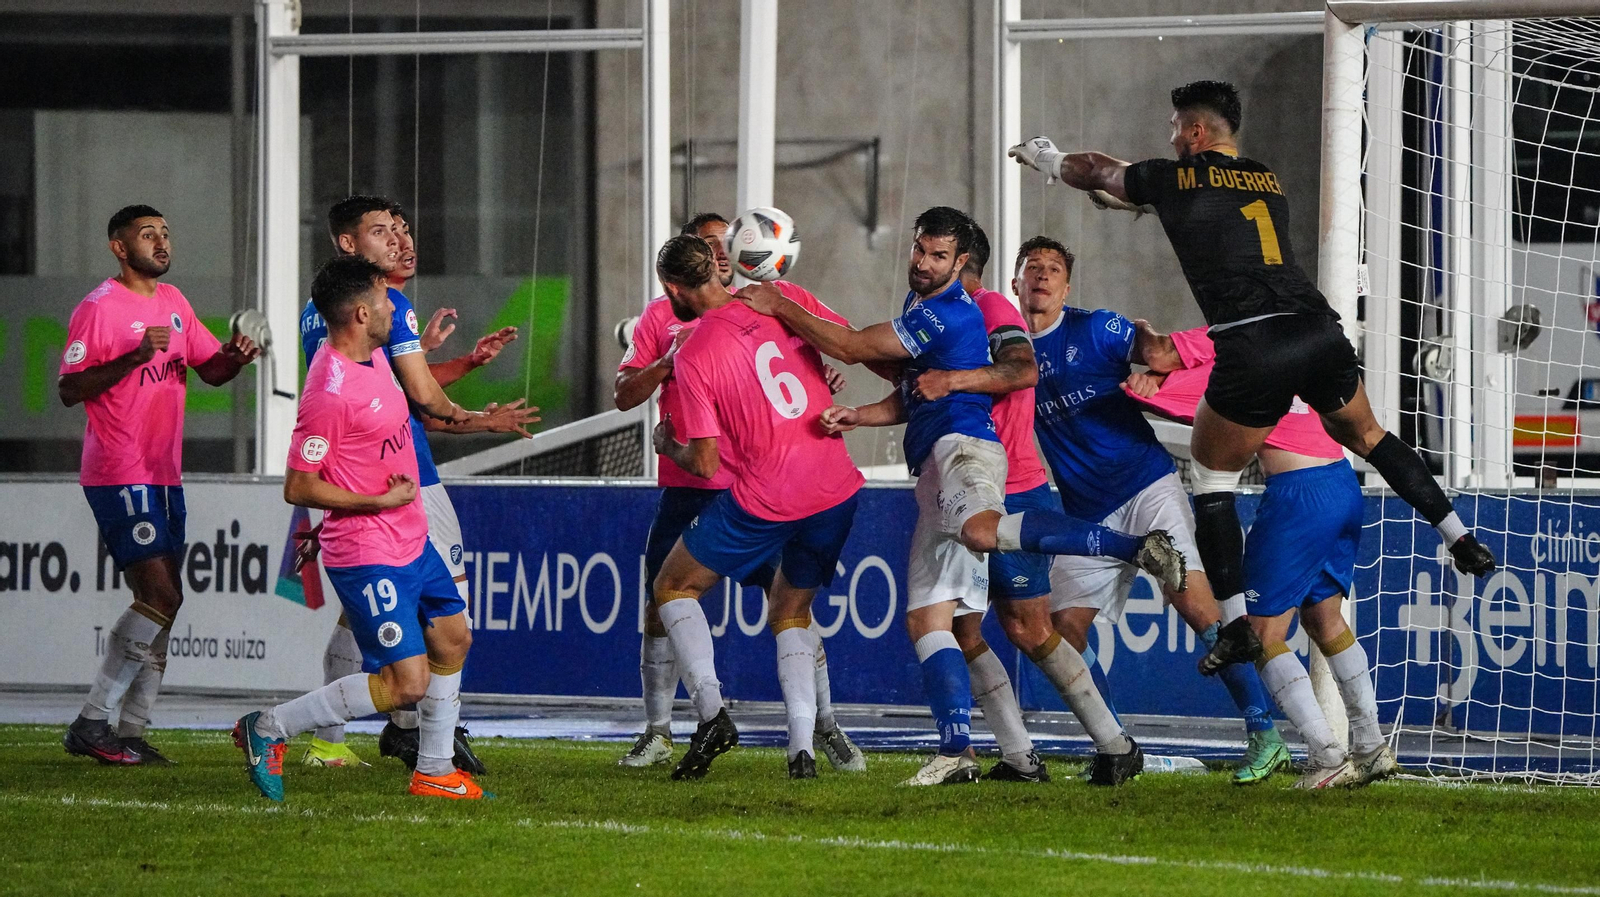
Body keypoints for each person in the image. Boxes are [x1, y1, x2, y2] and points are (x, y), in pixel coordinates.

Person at [1009, 79, 1497, 675]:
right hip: (1317, 329)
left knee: (1211, 476)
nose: (1171, 139)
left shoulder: (1172, 176)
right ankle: (1459, 536)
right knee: (1370, 435)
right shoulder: (1265, 178)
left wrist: (1050, 158)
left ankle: (1238, 623)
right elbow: (1205, 213)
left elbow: (1098, 169)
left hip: (1255, 341)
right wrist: (1137, 202)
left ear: (1195, 132)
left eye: (1175, 129)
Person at [744, 206, 1181, 786]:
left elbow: (1021, 371)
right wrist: (862, 409)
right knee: (969, 628)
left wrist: (795, 313)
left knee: (1022, 621)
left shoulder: (984, 308)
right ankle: (1023, 755)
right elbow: (912, 383)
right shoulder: (925, 308)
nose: (924, 263)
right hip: (952, 467)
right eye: (920, 250)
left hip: (1002, 477)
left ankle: (1131, 563)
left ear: (964, 262)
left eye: (940, 255)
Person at [1006, 235, 1290, 784]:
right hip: (1085, 513)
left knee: (1198, 608)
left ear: (1067, 286)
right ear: (1015, 283)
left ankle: (1265, 734)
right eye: (1032, 267)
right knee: (1062, 630)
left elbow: (1160, 348)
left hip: (1146, 488)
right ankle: (1118, 746)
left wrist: (1157, 373)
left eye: (1053, 269)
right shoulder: (1006, 352)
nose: (1042, 275)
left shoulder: (1096, 329)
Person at [613, 212, 863, 773]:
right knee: (668, 606)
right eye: (712, 245)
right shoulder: (670, 318)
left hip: (752, 488)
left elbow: (832, 346)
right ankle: (661, 731)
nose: (722, 254)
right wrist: (666, 364)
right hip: (705, 489)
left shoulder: (766, 304)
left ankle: (818, 724)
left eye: (726, 244)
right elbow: (624, 392)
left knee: (776, 603)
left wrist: (817, 370)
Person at [294, 195, 534, 774]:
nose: (399, 240)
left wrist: (456, 364)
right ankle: (425, 733)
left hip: (359, 472)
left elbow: (393, 388)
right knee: (450, 615)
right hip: (407, 479)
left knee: (357, 614)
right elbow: (423, 398)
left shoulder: (319, 310)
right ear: (348, 243)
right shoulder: (388, 305)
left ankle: (333, 739)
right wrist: (477, 418)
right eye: (382, 231)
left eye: (401, 228)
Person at [234, 255, 484, 802]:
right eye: (384, 299)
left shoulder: (376, 360)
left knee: (454, 638)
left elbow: (408, 416)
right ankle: (269, 727)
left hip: (410, 538)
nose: (394, 306)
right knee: (406, 685)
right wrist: (376, 500)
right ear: (361, 314)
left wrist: (476, 415)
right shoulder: (328, 390)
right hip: (369, 551)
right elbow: (298, 485)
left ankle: (434, 769)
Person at [1126, 324, 1398, 788]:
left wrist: (1145, 379)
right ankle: (1371, 748)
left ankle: (1326, 754)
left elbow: (1158, 375)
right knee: (1325, 619)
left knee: (1258, 633)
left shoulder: (1230, 364)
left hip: (1297, 496)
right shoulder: (1284, 345)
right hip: (1341, 481)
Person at [59, 205, 260, 766]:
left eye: (165, 233)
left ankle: (129, 731)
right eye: (148, 234)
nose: (161, 241)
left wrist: (236, 357)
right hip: (120, 470)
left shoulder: (174, 302)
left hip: (164, 474)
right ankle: (92, 722)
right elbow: (69, 389)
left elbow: (210, 370)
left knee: (164, 602)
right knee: (161, 597)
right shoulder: (99, 308)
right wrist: (134, 356)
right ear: (119, 248)